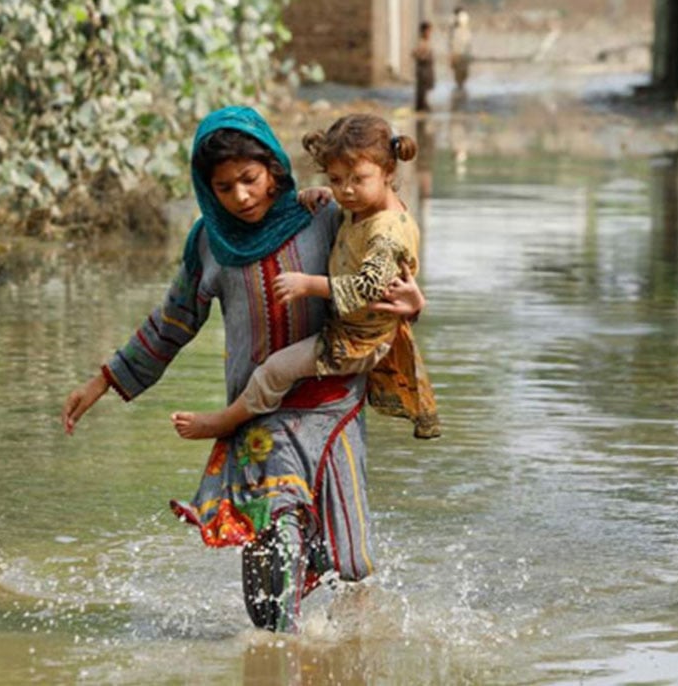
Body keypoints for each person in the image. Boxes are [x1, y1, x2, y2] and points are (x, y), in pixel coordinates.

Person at [60, 106, 425, 633]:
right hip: (257, 418)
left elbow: (387, 265)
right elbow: (172, 322)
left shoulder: (325, 216)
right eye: (224, 187)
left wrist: (414, 303)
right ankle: (277, 656)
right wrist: (103, 380)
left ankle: (352, 659)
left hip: (334, 409)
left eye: (250, 180)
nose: (242, 197)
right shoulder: (210, 243)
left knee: (352, 565)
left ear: (275, 169)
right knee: (272, 568)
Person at [172, 114, 440, 442]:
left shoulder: (386, 231)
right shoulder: (353, 211)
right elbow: (170, 322)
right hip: (352, 333)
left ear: (388, 172)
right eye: (337, 179)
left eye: (357, 179)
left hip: (355, 341)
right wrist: (323, 193)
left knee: (274, 370)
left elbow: (368, 287)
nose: (346, 190)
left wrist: (308, 284)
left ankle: (226, 421)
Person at [412, 21, 435, 113]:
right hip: (422, 68)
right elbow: (414, 53)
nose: (429, 33)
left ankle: (424, 105)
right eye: (428, 31)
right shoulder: (421, 42)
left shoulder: (427, 42)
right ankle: (421, 106)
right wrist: (423, 57)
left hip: (427, 68)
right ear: (423, 31)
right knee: (421, 88)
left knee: (426, 87)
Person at [449, 7, 473, 92]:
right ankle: (460, 86)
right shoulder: (454, 29)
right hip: (458, 53)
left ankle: (461, 86)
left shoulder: (464, 27)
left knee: (463, 73)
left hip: (463, 53)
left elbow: (468, 41)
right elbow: (453, 43)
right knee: (459, 73)